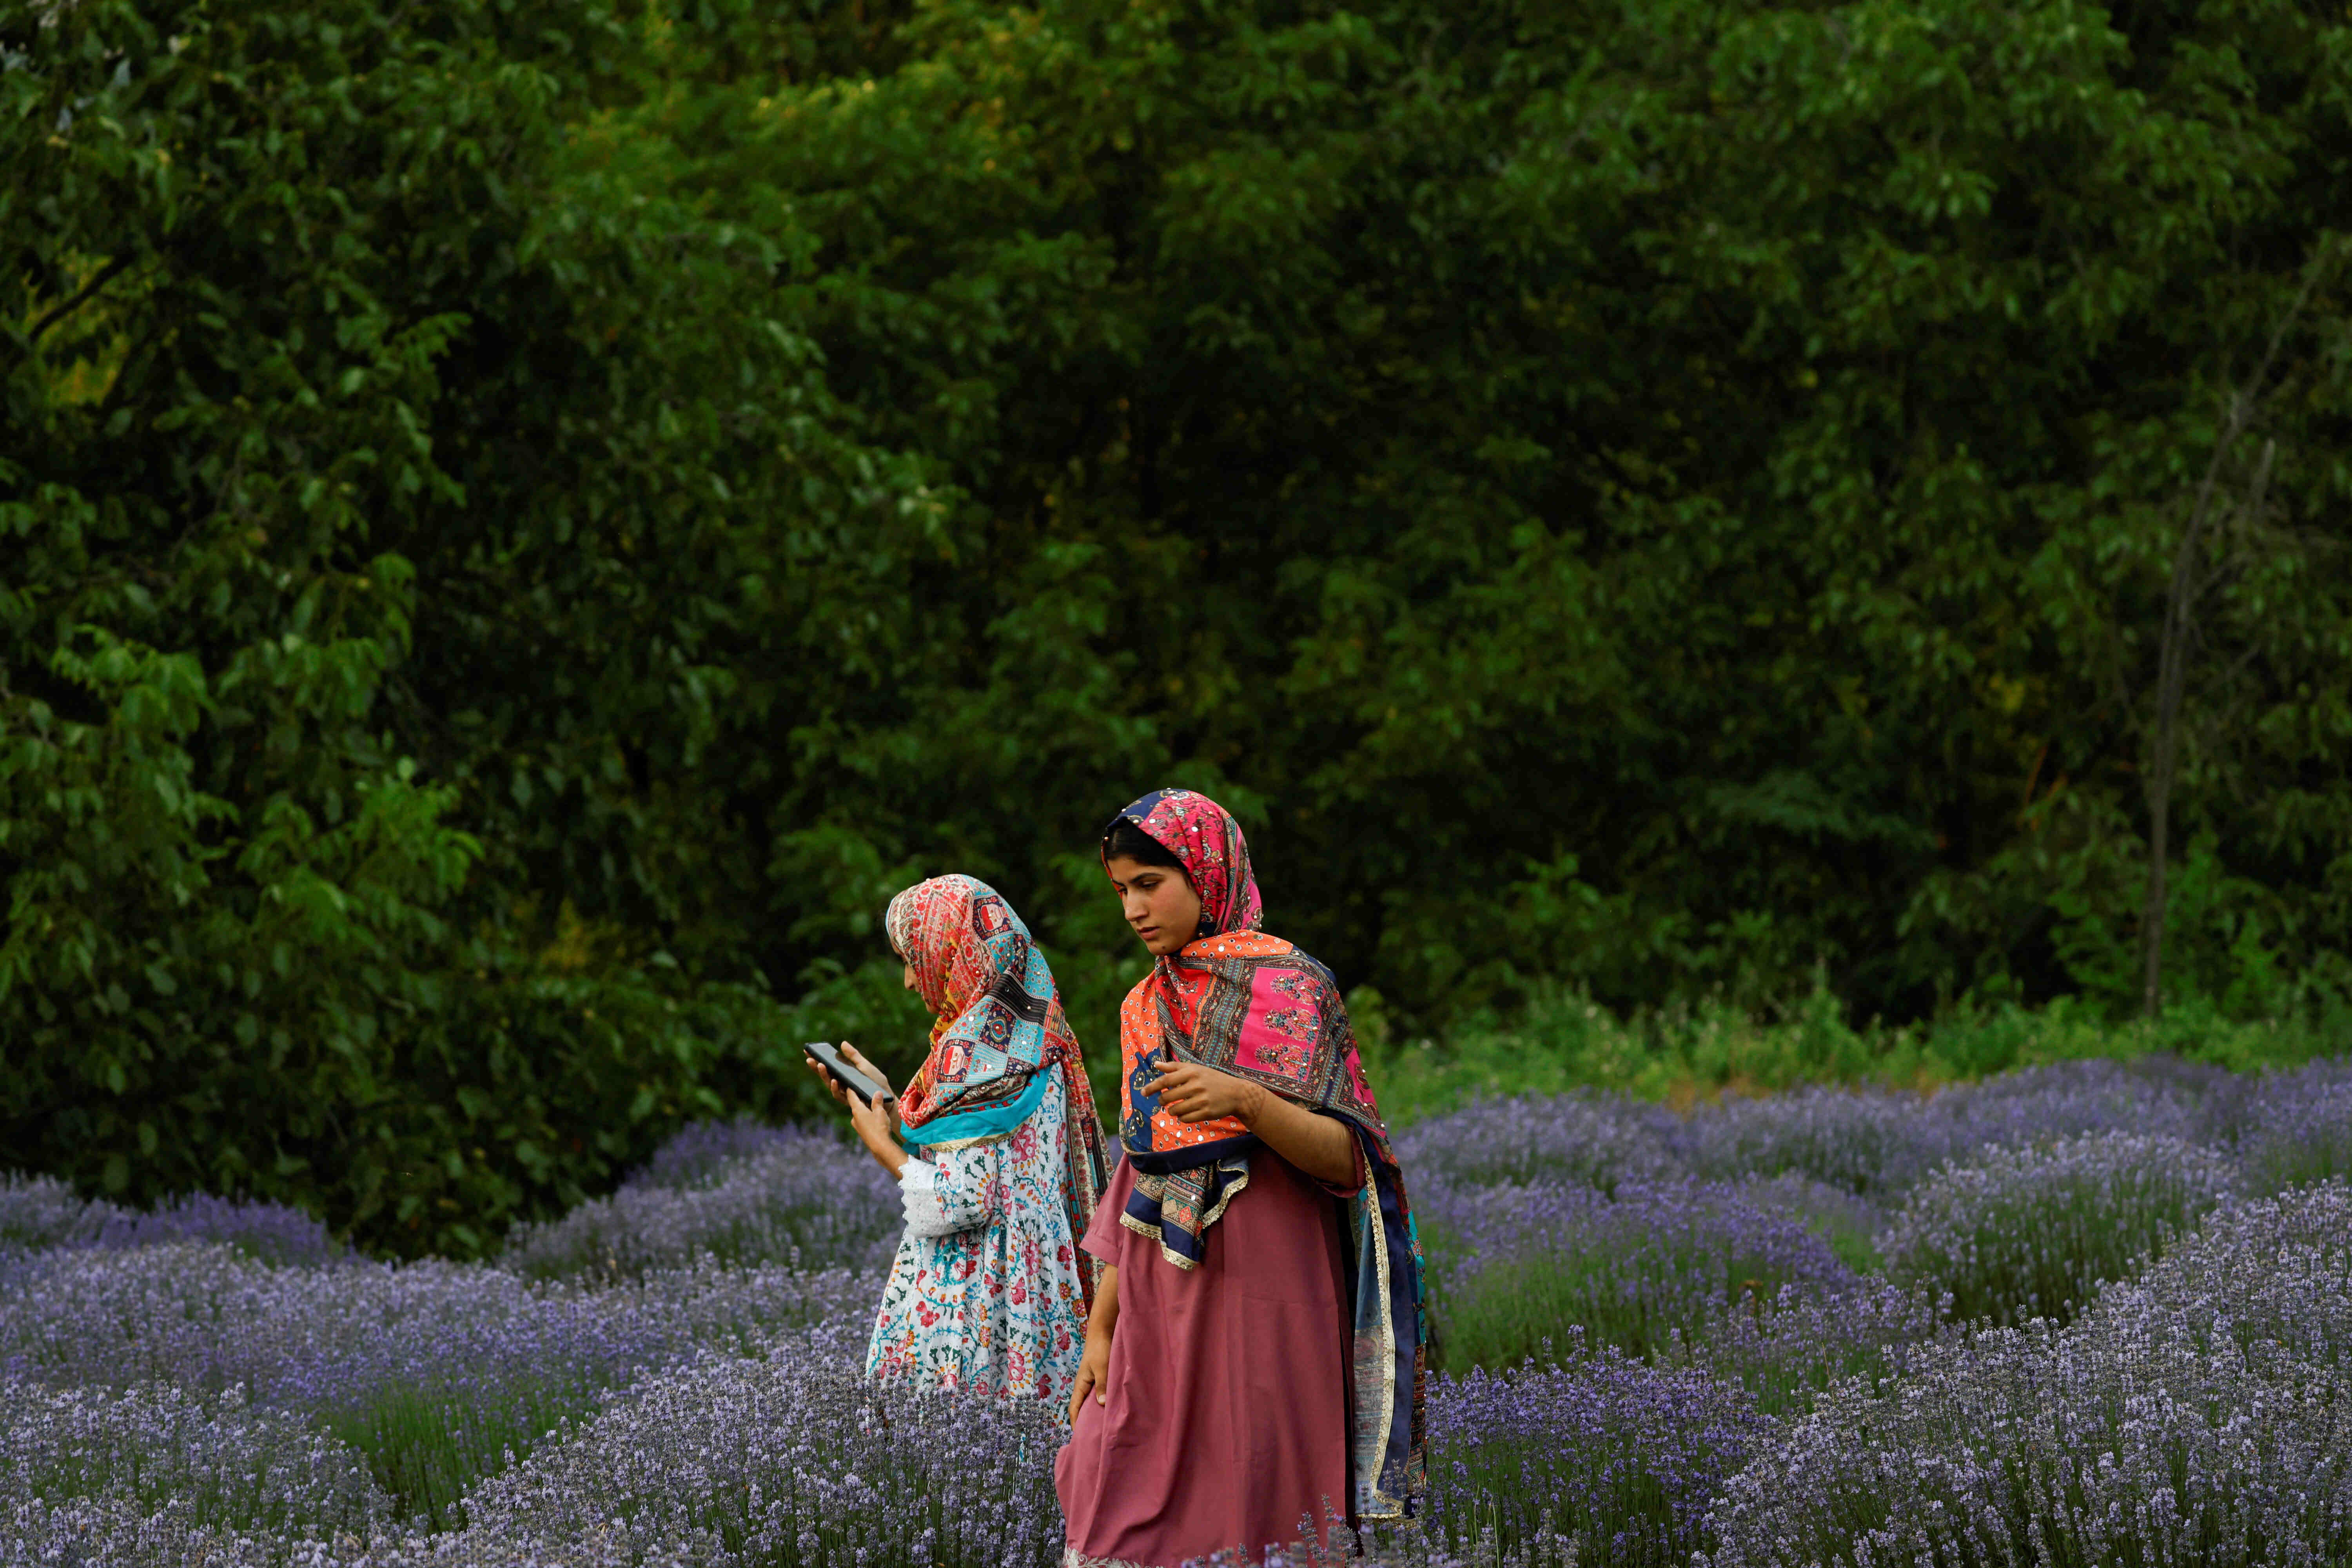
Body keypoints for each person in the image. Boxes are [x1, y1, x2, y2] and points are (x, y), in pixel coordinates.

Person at [1056, 788, 1428, 1566]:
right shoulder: (1143, 1006)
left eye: (1149, 882)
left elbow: (1346, 1158)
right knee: (1113, 1477)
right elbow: (1140, 1168)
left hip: (1273, 1280)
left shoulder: (1294, 986)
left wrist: (1249, 1101)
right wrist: (1100, 1325)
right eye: (1121, 889)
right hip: (1163, 1289)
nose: (1133, 908)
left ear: (1206, 870)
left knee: (1266, 1495)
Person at [809, 873, 1110, 1403]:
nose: (908, 979)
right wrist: (891, 1099)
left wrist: (883, 1146)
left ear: (955, 951)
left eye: (913, 957)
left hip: (977, 1291)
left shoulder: (972, 1058)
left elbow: (964, 1199)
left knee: (958, 1453)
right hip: (1040, 1286)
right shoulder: (1038, 1037)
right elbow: (1001, 1159)